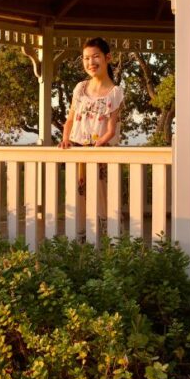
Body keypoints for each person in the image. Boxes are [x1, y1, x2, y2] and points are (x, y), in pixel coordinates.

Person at [60, 38, 123, 233]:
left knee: (103, 197)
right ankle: (80, 239)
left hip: (102, 154)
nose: (91, 62)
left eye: (96, 57)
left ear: (108, 58)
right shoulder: (80, 87)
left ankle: (107, 240)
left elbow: (111, 129)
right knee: (79, 197)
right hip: (78, 152)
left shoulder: (115, 92)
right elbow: (70, 120)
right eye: (86, 58)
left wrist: (96, 149)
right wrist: (65, 139)